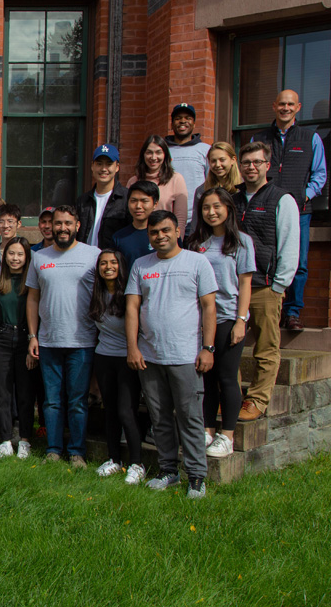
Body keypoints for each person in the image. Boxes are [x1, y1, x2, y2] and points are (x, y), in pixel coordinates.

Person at [126, 210, 217, 499]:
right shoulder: (141, 265)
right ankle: (169, 471)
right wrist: (133, 347)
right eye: (154, 232)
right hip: (150, 356)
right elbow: (132, 307)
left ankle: (196, 477)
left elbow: (209, 308)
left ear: (177, 231)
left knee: (190, 418)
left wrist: (208, 347)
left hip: (186, 356)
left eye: (166, 230)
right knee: (160, 417)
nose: (160, 236)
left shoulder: (197, 262)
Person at [26, 206, 101, 467]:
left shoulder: (93, 255)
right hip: (48, 340)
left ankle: (77, 451)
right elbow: (33, 298)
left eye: (68, 223)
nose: (62, 228)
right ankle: (53, 449)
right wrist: (33, 336)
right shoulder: (39, 257)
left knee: (78, 401)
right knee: (52, 401)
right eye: (58, 223)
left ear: (78, 225)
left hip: (82, 341)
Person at [233, 142, 300, 421]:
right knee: (230, 345)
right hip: (234, 286)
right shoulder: (232, 200)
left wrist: (278, 286)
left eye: (257, 162)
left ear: (267, 166)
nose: (251, 167)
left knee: (266, 347)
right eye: (246, 162)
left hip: (265, 284)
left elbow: (289, 245)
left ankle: (257, 400)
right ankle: (232, 397)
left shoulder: (281, 199)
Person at [186, 188, 255, 457]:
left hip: (227, 317)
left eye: (216, 207)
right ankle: (207, 430)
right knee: (205, 377)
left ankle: (227, 435)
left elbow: (246, 284)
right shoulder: (195, 242)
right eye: (205, 207)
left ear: (228, 209)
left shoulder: (242, 242)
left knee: (226, 377)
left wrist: (241, 319)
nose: (211, 212)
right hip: (200, 319)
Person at [251, 89, 327, 331]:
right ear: (274, 106)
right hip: (264, 209)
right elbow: (250, 168)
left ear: (298, 107)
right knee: (261, 259)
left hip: (299, 211)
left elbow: (320, 173)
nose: (286, 108)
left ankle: (292, 312)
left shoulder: (311, 138)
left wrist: (305, 195)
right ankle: (261, 310)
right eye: (281, 104)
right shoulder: (259, 139)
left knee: (298, 263)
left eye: (290, 104)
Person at [88, 249, 144, 483]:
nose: (108, 267)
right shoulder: (98, 293)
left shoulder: (130, 294)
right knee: (109, 410)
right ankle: (114, 459)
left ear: (121, 266)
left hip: (127, 358)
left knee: (125, 411)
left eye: (113, 263)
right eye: (103, 263)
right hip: (103, 357)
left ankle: (137, 463)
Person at [0, 237, 35, 459]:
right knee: (3, 391)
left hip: (26, 338)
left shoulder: (32, 283)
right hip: (2, 337)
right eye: (11, 254)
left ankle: (25, 440)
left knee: (25, 392)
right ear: (4, 255)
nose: (15, 258)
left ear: (27, 257)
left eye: (20, 254)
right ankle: (6, 439)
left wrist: (31, 344)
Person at [125, 135, 188, 237]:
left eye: (158, 152)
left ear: (165, 155)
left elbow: (180, 218)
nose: (153, 157)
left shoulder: (176, 179)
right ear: (143, 155)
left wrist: (177, 241)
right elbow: (128, 214)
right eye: (149, 152)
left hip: (164, 238)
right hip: (138, 237)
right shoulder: (133, 181)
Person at [77, 144, 130, 248]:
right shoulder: (83, 201)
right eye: (99, 164)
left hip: (112, 261)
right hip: (85, 261)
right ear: (92, 166)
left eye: (109, 164)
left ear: (117, 167)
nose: (104, 169)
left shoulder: (126, 198)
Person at [165, 103, 211, 223]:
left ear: (194, 124)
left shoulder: (205, 150)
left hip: (197, 218)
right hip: (167, 218)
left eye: (188, 118)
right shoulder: (162, 150)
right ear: (172, 124)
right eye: (178, 118)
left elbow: (212, 182)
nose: (182, 121)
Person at [188, 142, 242, 232]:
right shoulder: (202, 191)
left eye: (222, 160)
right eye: (213, 161)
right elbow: (196, 224)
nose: (217, 165)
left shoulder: (242, 188)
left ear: (233, 159)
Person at [112, 181, 160, 269]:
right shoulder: (119, 237)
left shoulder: (163, 235)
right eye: (133, 201)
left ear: (155, 204)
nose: (138, 206)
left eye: (144, 201)